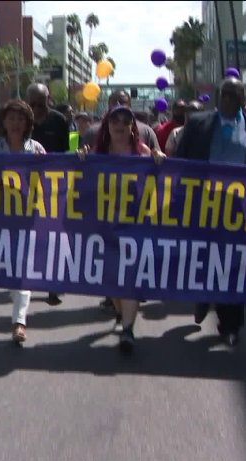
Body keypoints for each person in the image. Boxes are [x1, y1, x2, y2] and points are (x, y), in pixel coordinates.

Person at [176, 76, 246, 346]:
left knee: (235, 264)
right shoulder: (198, 125)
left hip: (241, 210)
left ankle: (231, 323)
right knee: (205, 259)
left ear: (243, 98)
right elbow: (181, 162)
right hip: (204, 205)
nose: (228, 99)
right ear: (218, 97)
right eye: (224, 94)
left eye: (234, 94)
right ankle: (203, 297)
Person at [86, 104, 165, 353]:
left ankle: (128, 329)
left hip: (135, 226)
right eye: (114, 120)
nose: (120, 124)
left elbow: (161, 182)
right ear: (107, 126)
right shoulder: (97, 154)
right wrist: (80, 160)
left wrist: (159, 161)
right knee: (113, 279)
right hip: (105, 226)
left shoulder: (143, 153)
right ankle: (122, 315)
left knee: (129, 277)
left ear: (132, 126)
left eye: (125, 120)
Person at [0, 99, 47, 344]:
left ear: (27, 123)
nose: (15, 123)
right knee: (9, 266)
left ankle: (19, 322)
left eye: (20, 119)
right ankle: (17, 308)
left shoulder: (37, 150)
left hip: (27, 216)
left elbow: (51, 179)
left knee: (22, 267)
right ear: (3, 122)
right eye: (11, 118)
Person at [25, 83, 67, 306]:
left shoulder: (59, 120)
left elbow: (70, 150)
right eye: (32, 104)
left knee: (53, 237)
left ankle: (54, 284)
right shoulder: (20, 119)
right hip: (24, 189)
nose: (36, 109)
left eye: (40, 105)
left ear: (48, 100)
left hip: (54, 187)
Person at [81, 90, 160, 150]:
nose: (118, 105)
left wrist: (156, 155)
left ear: (130, 106)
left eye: (122, 102)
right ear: (108, 107)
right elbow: (80, 166)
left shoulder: (147, 132)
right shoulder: (91, 132)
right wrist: (81, 154)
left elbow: (159, 165)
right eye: (114, 102)